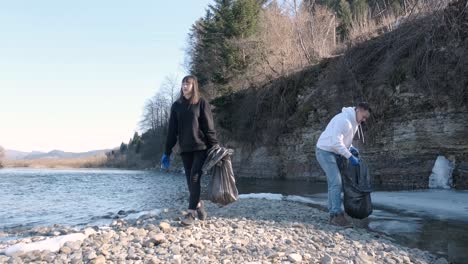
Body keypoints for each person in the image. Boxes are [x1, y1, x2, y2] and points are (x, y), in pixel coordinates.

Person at [161, 75, 219, 226]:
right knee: (189, 181)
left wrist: (214, 145)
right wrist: (167, 152)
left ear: (194, 86)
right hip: (185, 149)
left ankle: (191, 212)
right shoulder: (176, 106)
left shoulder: (201, 103)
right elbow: (172, 131)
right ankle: (198, 204)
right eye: (183, 84)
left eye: (188, 83)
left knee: (194, 177)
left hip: (201, 147)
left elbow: (209, 127)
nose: (184, 86)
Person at [315, 102, 371, 227]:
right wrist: (350, 157)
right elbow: (335, 142)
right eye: (364, 117)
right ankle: (336, 215)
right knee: (336, 182)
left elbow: (343, 140)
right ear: (359, 110)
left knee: (333, 183)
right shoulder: (344, 120)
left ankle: (333, 214)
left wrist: (350, 148)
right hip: (325, 151)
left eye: (366, 118)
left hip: (335, 152)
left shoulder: (354, 122)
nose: (364, 120)